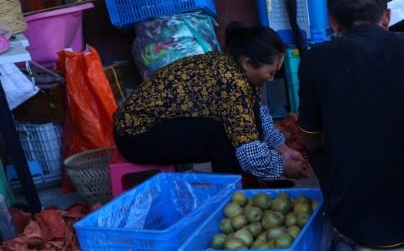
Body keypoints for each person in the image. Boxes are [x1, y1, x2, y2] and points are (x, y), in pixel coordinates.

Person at [298, 0, 404, 251]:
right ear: (387, 17)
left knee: (317, 144)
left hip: (357, 223)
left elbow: (310, 137)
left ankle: (343, 227)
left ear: (333, 23)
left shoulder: (317, 59)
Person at [113, 23, 309, 181]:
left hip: (155, 125)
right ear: (248, 63)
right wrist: (282, 166)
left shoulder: (233, 65)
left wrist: (281, 148)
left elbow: (259, 111)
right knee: (225, 137)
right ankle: (230, 194)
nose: (271, 79)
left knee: (244, 122)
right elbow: (250, 153)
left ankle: (242, 183)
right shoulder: (231, 82)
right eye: (271, 73)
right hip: (135, 136)